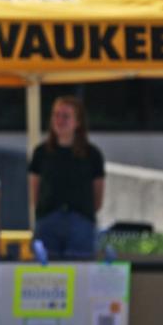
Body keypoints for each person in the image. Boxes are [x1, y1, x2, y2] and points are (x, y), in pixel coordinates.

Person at [28, 96, 105, 259]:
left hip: (81, 222)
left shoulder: (92, 154)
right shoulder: (41, 152)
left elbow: (97, 197)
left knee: (80, 276)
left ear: (78, 122)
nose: (59, 120)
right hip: (48, 221)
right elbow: (35, 191)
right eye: (56, 115)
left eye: (66, 116)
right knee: (46, 277)